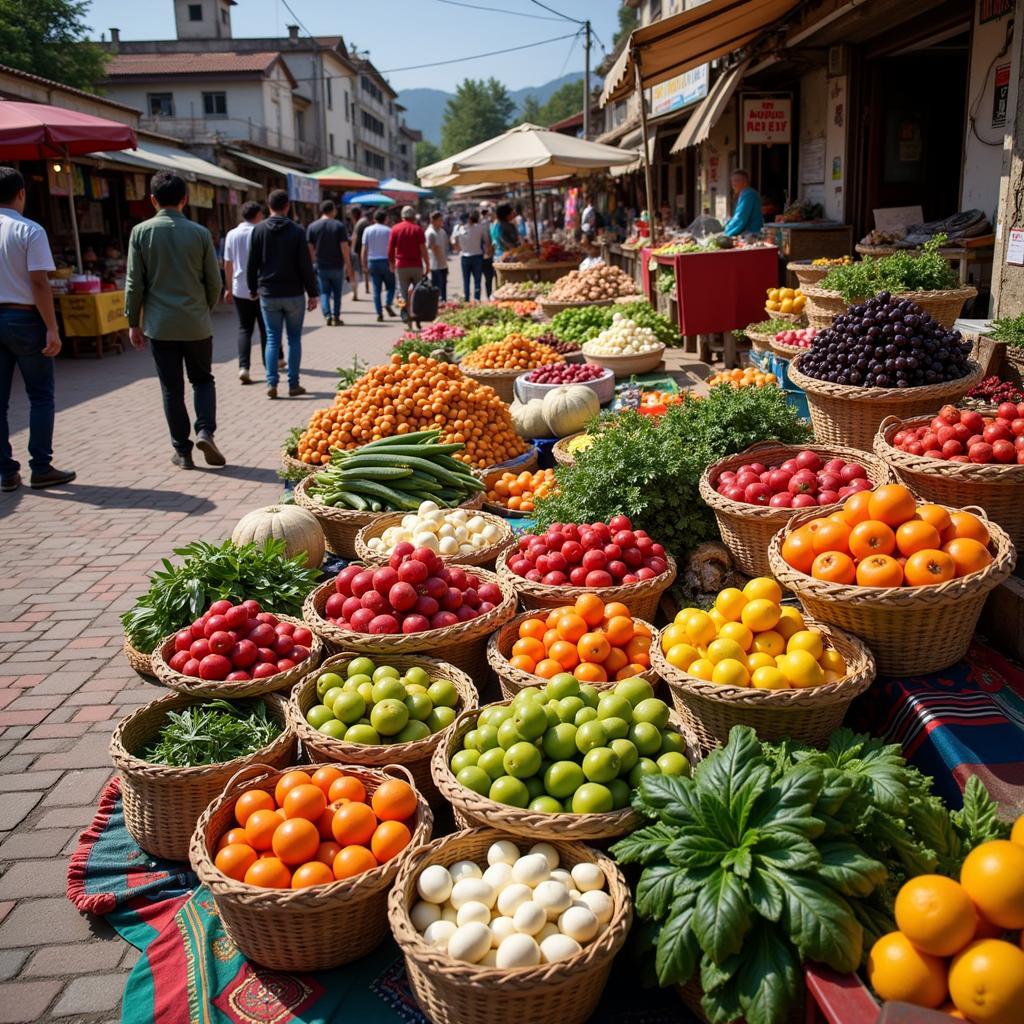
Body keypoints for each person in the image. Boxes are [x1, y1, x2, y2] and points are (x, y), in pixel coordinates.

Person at [126, 171, 224, 470]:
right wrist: (203, 308)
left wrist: (133, 321)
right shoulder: (199, 233)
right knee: (203, 380)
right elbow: (214, 282)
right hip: (196, 322)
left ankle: (182, 450)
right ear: (185, 198)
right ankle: (205, 430)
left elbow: (134, 283)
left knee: (172, 389)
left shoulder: (141, 232)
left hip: (160, 324)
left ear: (153, 200)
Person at [0, 167, 75, 491]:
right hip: (25, 318)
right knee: (41, 396)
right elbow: (39, 282)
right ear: (21, 193)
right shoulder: (29, 230)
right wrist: (52, 328)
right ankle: (41, 466)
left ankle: (5, 471)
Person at [246, 189, 318, 400]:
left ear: (269, 206)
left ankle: (271, 382)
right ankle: (293, 384)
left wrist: (252, 288)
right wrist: (312, 293)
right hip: (294, 293)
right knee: (294, 338)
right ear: (287, 206)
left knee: (271, 338)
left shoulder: (258, 230)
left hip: (268, 293)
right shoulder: (296, 231)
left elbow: (252, 263)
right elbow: (305, 264)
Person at [223, 201, 266, 386]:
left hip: (239, 288)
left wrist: (228, 288)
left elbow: (227, 263)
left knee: (244, 328)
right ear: (257, 215)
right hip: (262, 288)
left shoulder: (232, 234)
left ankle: (244, 367)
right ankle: (269, 365)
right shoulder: (261, 232)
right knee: (266, 329)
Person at [307, 200, 354, 327]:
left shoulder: (312, 226)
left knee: (324, 292)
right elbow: (344, 247)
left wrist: (312, 263)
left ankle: (327, 315)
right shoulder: (339, 226)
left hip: (321, 265)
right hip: (337, 265)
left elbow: (309, 248)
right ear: (333, 210)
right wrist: (348, 266)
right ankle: (336, 317)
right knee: (337, 293)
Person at [388, 205, 429, 326]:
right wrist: (427, 264)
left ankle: (405, 313)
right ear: (413, 217)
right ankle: (417, 317)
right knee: (417, 292)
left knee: (402, 292)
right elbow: (423, 249)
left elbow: (390, 249)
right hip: (416, 265)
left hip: (401, 265)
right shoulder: (417, 229)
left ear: (402, 216)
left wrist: (391, 263)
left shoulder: (395, 229)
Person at [362, 209, 397, 322]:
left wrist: (364, 264)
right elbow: (393, 249)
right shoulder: (389, 230)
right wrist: (393, 263)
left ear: (374, 219)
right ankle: (387, 303)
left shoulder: (367, 230)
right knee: (391, 286)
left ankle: (379, 313)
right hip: (386, 261)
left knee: (376, 290)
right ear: (385, 219)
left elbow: (364, 249)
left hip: (372, 261)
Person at [452, 210, 487, 302]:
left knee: (466, 280)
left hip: (465, 256)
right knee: (477, 280)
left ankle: (467, 298)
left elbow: (453, 241)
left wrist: (459, 249)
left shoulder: (459, 229)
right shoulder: (479, 228)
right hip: (477, 256)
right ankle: (477, 298)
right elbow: (486, 241)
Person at [723, 169, 764, 238]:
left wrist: (726, 232)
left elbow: (740, 218)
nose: (733, 184)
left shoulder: (748, 194)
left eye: (737, 181)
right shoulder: (746, 193)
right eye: (732, 181)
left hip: (752, 234)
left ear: (745, 182)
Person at [425, 210, 449, 303]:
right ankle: (436, 305)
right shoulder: (430, 233)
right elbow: (433, 248)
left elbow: (445, 244)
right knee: (436, 287)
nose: (441, 222)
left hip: (443, 264)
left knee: (443, 287)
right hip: (435, 265)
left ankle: (444, 303)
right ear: (433, 221)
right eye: (439, 220)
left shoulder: (442, 231)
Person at [350, 205, 370, 301]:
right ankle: (366, 287)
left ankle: (355, 292)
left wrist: (352, 250)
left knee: (355, 271)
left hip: (358, 250)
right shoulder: (365, 222)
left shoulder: (359, 224)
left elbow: (355, 237)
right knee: (364, 267)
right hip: (365, 248)